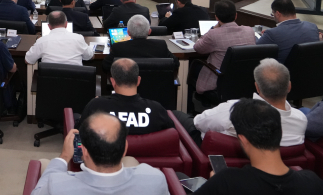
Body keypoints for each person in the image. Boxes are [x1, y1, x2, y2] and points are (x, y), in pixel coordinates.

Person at [193, 99, 323, 195]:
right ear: (280, 133)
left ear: (243, 140)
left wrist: (214, 184)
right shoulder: (313, 183)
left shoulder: (225, 181)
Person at [31, 113, 168, 195]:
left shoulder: (56, 185)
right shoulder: (155, 178)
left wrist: (64, 156)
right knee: (131, 161)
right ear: (125, 148)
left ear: (84, 151)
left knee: (44, 163)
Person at [193, 58, 306, 146]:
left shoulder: (234, 110)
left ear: (257, 87)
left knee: (184, 120)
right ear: (289, 86)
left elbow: (199, 123)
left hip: (217, 157)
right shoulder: (301, 120)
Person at [81, 59, 174, 135]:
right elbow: (172, 134)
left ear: (113, 82)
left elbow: (79, 132)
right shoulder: (156, 110)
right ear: (138, 81)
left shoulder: (96, 106)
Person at [190, 0, 256, 105]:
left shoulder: (214, 34)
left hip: (220, 79)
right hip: (244, 81)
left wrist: (213, 28)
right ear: (236, 15)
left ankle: (189, 105)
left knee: (192, 66)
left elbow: (198, 48)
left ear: (217, 18)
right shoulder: (249, 31)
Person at [256, 0, 320, 64]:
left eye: (273, 14)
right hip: (311, 69)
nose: (273, 16)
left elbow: (255, 51)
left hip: (283, 70)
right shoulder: (313, 27)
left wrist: (265, 36)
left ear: (277, 14)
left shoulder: (271, 34)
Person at [102, 15, 175, 72]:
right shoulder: (161, 45)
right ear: (149, 31)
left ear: (128, 33)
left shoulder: (118, 47)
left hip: (128, 86)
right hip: (157, 86)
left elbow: (105, 66)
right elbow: (175, 63)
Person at [25, 11, 93, 65]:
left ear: (49, 26)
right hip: (75, 78)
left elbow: (28, 60)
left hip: (49, 78)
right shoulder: (78, 38)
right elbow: (89, 56)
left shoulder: (41, 41)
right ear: (66, 24)